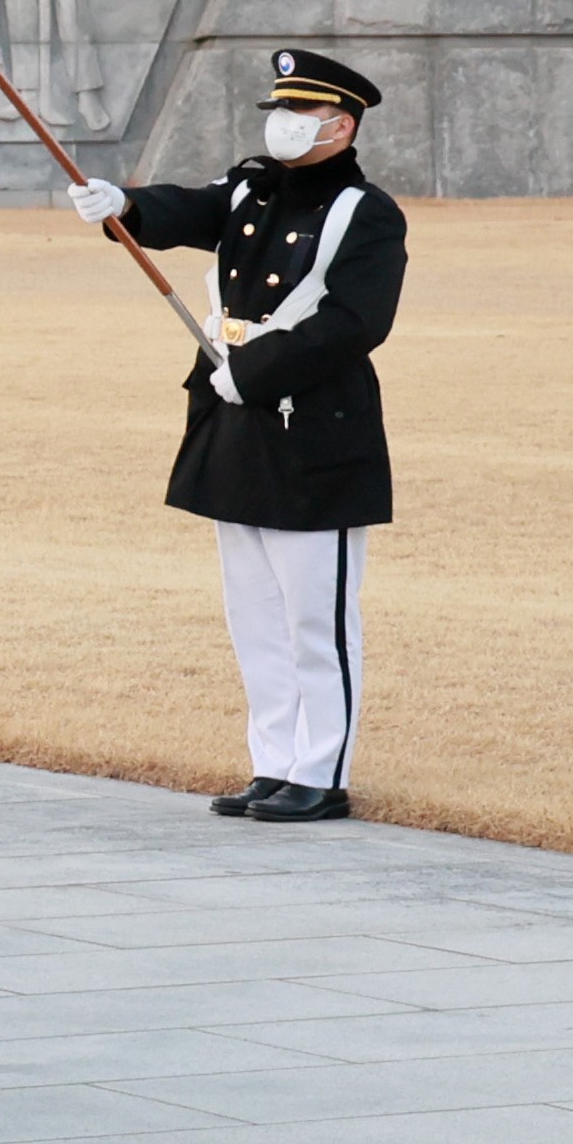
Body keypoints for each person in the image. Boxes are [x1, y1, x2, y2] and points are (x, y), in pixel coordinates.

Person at [67, 48, 405, 824]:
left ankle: (321, 772)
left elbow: (357, 323)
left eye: (304, 113)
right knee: (253, 613)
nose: (284, 124)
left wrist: (257, 372)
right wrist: (128, 203)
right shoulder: (251, 186)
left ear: (342, 124)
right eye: (279, 110)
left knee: (314, 619)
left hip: (312, 430)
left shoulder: (367, 212)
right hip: (233, 419)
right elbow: (191, 209)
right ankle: (273, 762)